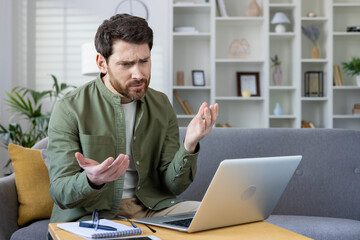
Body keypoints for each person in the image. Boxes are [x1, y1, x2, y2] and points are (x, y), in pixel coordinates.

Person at [47, 13, 218, 224]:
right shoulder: (70, 107)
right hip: (93, 214)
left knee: (219, 216)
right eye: (126, 64)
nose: (138, 74)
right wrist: (92, 180)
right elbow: (59, 192)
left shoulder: (161, 105)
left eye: (144, 61)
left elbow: (174, 186)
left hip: (151, 209)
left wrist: (190, 144)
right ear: (102, 63)